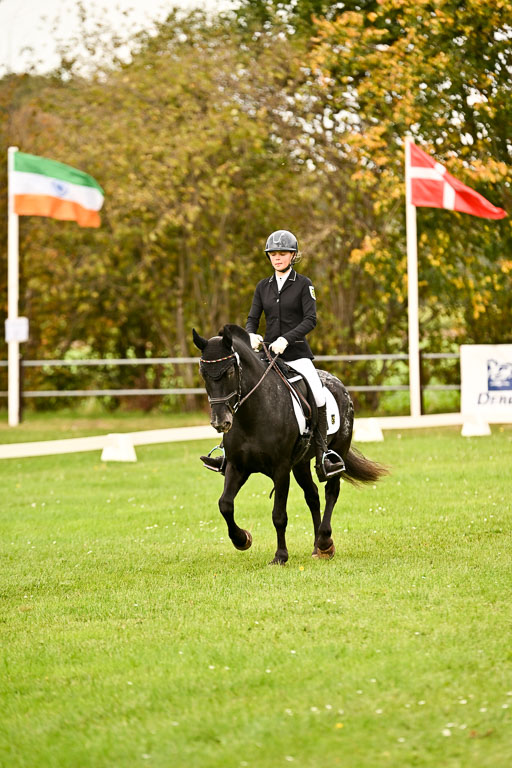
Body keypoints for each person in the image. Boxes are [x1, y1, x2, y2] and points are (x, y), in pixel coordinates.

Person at [201, 229, 345, 482]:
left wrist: (286, 339)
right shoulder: (263, 287)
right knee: (241, 389)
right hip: (268, 355)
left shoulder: (304, 285)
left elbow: (311, 319)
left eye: (282, 253)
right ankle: (226, 451)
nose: (277, 258)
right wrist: (250, 335)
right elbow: (252, 318)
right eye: (273, 254)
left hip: (297, 355)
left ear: (292, 255)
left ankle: (323, 455)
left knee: (319, 394)